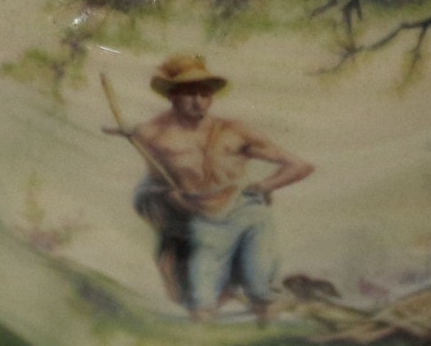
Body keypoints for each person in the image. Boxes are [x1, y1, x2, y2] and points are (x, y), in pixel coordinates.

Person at [107, 55, 314, 323]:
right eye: (189, 94)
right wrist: (170, 198)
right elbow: (149, 183)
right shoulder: (152, 135)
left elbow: (300, 166)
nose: (198, 102)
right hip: (202, 215)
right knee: (202, 299)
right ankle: (203, 326)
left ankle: (266, 315)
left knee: (262, 283)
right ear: (172, 96)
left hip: (245, 210)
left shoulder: (234, 131)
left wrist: (264, 185)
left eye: (205, 95)